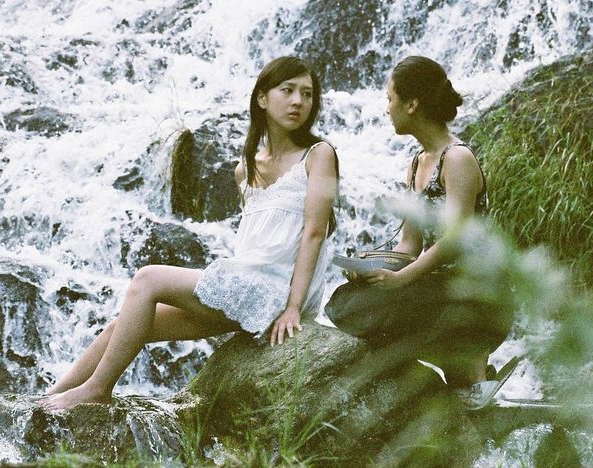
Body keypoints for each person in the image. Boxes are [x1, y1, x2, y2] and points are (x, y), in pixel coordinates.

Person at [42, 56, 339, 411]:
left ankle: (97, 390)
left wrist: (293, 308)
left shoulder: (319, 155)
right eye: (287, 91)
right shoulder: (245, 170)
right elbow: (257, 244)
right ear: (262, 98)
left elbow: (314, 232)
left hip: (275, 293)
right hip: (247, 290)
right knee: (124, 325)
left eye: (307, 94)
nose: (298, 102)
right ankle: (43, 399)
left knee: (147, 280)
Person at [324, 56, 514, 407]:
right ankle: (467, 373)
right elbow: (409, 245)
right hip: (436, 287)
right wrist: (370, 266)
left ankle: (472, 363)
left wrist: (400, 279)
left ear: (411, 104)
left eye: (390, 99)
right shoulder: (417, 163)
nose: (387, 108)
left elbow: (454, 240)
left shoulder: (457, 158)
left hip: (477, 292)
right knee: (348, 302)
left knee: (369, 308)